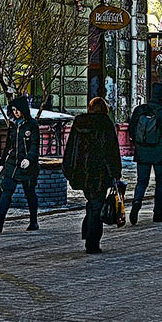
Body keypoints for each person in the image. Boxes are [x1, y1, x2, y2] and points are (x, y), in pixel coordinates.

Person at [63, 97, 122, 253]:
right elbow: (111, 150)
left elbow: (70, 148)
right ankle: (92, 243)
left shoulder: (79, 122)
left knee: (92, 202)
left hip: (82, 172)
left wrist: (69, 169)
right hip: (99, 172)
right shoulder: (105, 123)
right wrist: (116, 172)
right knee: (96, 206)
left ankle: (87, 232)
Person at [0, 96, 40, 233]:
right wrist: (2, 163)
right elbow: (7, 146)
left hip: (27, 165)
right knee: (6, 192)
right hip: (12, 163)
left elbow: (34, 145)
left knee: (30, 193)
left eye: (18, 110)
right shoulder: (13, 125)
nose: (16, 112)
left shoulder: (32, 125)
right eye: (13, 110)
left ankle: (34, 221)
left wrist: (29, 159)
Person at [128, 82, 162, 225]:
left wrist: (138, 145)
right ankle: (157, 214)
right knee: (160, 183)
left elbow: (131, 130)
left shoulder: (140, 110)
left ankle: (137, 201)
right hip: (159, 151)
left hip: (142, 151)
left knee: (142, 181)